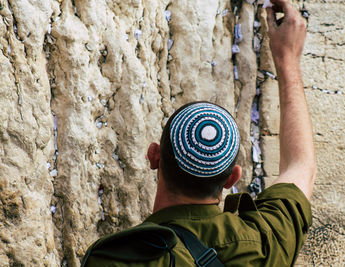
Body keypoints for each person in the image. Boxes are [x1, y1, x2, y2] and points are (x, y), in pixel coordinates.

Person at [82, 0, 316, 265]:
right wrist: (287, 60)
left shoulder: (113, 259)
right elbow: (301, 166)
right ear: (231, 178)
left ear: (153, 156)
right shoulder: (265, 245)